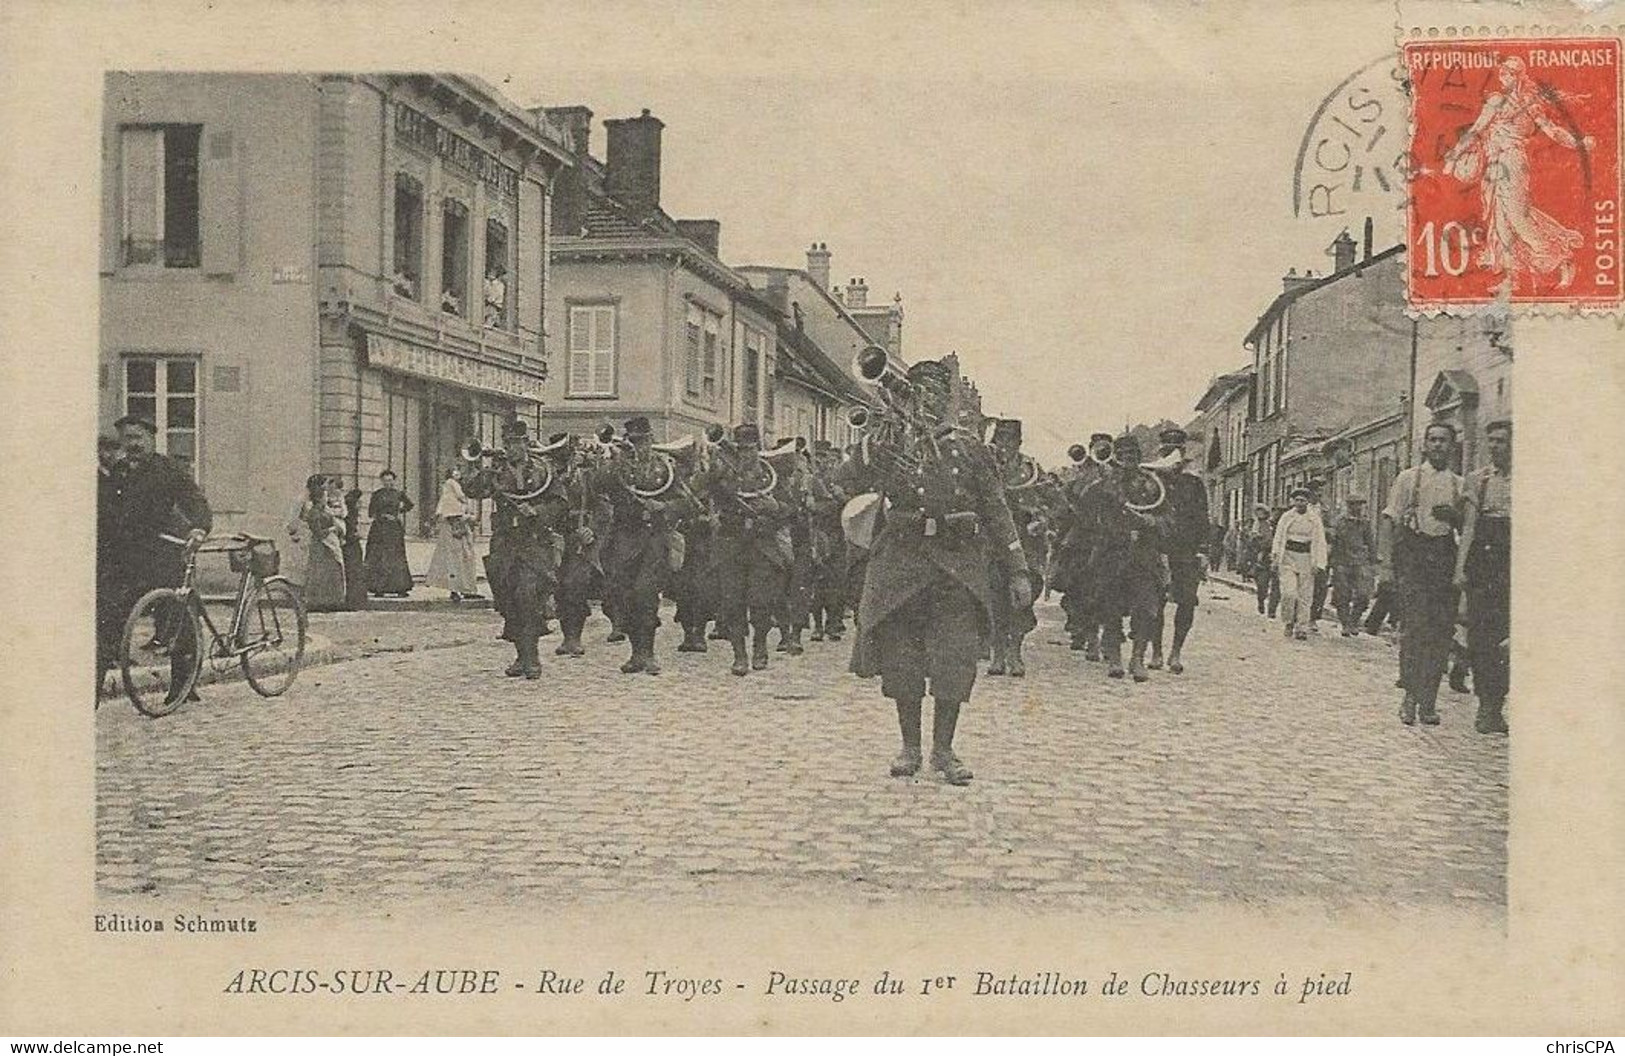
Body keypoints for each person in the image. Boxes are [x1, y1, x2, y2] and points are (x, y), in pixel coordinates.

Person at [846, 358, 1029, 784]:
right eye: (917, 392)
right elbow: (850, 478)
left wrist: (1018, 569)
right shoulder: (890, 442)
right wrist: (872, 443)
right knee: (902, 658)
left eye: (934, 394)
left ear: (946, 401)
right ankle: (910, 746)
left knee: (954, 658)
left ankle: (944, 750)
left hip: (955, 566)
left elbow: (997, 510)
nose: (925, 401)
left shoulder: (969, 448)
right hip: (902, 563)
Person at [109, 415, 212, 701]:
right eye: (126, 439)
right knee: (112, 612)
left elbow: (194, 500)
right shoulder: (119, 471)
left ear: (151, 439)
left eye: (137, 438)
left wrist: (199, 528)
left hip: (165, 553)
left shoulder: (168, 470)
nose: (132, 445)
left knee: (178, 615)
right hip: (128, 556)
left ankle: (184, 685)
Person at [1378, 422, 1466, 726]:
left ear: (1452, 446)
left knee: (1441, 635)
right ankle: (1410, 698)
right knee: (1415, 631)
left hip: (1444, 559)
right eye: (1433, 440)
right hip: (1414, 558)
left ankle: (1429, 702)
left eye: (1444, 440)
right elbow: (1389, 520)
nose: (1438, 445)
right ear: (1424, 445)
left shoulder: (1460, 484)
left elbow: (1467, 530)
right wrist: (1387, 565)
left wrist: (1454, 517)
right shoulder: (1408, 479)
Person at [694, 424, 793, 676]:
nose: (746, 454)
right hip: (731, 544)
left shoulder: (772, 473)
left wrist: (774, 507)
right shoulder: (724, 473)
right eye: (741, 449)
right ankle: (739, 655)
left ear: (758, 449)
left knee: (761, 602)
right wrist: (712, 472)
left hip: (762, 545)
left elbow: (790, 508)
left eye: (750, 449)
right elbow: (699, 489)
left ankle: (760, 645)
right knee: (732, 602)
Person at [462, 418, 554, 678]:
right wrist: (475, 465)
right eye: (508, 443)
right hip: (505, 543)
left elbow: (559, 502)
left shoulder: (541, 471)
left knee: (528, 596)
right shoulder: (497, 472)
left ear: (526, 444)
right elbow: (472, 490)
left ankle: (533, 658)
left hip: (533, 542)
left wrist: (537, 511)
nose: (511, 448)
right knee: (509, 601)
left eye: (516, 443)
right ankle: (521, 656)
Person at [1069, 435, 1164, 681]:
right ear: (1115, 456)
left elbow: (1169, 518)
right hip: (1111, 553)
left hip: (1143, 554)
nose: (1128, 460)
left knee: (1145, 609)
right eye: (1122, 455)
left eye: (1133, 455)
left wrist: (1154, 521)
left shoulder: (1152, 484)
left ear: (1139, 457)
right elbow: (1082, 510)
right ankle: (1114, 658)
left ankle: (1137, 658)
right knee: (1109, 607)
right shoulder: (1103, 485)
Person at [593, 416, 683, 675]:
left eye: (642, 441)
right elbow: (598, 485)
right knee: (626, 596)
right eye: (633, 441)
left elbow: (684, 501)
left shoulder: (663, 468)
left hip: (653, 538)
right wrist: (613, 461)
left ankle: (649, 653)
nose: (638, 446)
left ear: (651, 441)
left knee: (646, 594)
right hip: (625, 537)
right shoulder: (619, 466)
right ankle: (636, 653)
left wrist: (664, 507)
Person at [1455, 418, 1511, 734]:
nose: (1494, 446)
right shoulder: (1479, 480)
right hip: (1484, 564)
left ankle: (1497, 702)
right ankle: (1486, 705)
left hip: (1513, 565)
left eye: (1500, 441)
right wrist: (1460, 568)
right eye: (1490, 440)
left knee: (1508, 639)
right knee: (1481, 638)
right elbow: (1469, 528)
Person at [985, 418, 1045, 677]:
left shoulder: (1031, 470)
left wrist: (1041, 519)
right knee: (995, 597)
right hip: (993, 543)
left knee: (1022, 599)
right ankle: (998, 653)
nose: (1004, 446)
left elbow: (1056, 502)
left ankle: (1015, 651)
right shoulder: (985, 467)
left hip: (1025, 542)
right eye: (999, 440)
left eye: (1010, 441)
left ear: (1018, 443)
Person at [1147, 427, 1209, 674]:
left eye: (1176, 452)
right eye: (1167, 452)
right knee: (1154, 602)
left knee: (1186, 603)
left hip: (1186, 550)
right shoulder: (1152, 481)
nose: (1172, 458)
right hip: (1158, 548)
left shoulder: (1193, 484)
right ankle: (1157, 652)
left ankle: (1176, 651)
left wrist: (1203, 550)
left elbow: (1202, 517)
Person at [1271, 486, 1327, 641]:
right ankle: (1288, 622)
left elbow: (1320, 541)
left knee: (1305, 596)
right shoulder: (1286, 517)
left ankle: (1301, 627)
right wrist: (1275, 556)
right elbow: (1278, 537)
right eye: (1297, 500)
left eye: (1303, 500)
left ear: (1307, 501)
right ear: (1293, 501)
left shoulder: (1314, 519)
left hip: (1306, 558)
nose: (1300, 503)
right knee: (1289, 593)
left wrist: (1319, 563)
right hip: (1288, 557)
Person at [96, 435, 127, 694]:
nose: (113, 455)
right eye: (109, 450)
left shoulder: (117, 476)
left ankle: (111, 652)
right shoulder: (98, 478)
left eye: (116, 450)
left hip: (115, 555)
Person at [288, 474, 347, 612]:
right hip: (307, 536)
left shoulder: (323, 502)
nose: (326, 488)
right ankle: (306, 599)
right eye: (324, 485)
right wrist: (296, 535)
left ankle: (322, 600)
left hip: (319, 537)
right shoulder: (305, 502)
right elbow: (295, 520)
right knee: (305, 570)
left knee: (319, 570)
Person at [425, 467, 482, 602]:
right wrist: (468, 518)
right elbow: (454, 517)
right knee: (457, 560)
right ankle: (458, 589)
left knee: (465, 559)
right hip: (455, 535)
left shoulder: (455, 498)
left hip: (461, 534)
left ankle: (466, 588)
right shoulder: (450, 496)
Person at [364, 469, 415, 597]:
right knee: (379, 556)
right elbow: (370, 512)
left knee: (396, 556)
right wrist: (381, 515)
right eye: (385, 480)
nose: (388, 483)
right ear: (382, 481)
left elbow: (410, 505)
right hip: (379, 529)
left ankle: (400, 587)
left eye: (390, 480)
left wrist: (398, 513)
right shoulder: (376, 494)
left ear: (394, 481)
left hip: (394, 529)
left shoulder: (398, 494)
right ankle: (378, 587)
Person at [1329, 496, 1374, 636]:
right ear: (1349, 506)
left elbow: (1370, 542)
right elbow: (1333, 542)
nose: (1358, 508)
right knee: (1342, 594)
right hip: (1342, 561)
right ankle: (1345, 624)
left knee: (1364, 594)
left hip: (1360, 561)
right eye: (1354, 505)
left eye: (1360, 505)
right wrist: (1332, 562)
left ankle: (1354, 620)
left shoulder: (1365, 522)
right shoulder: (1339, 522)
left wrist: (1373, 561)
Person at [340, 480, 369, 611]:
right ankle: (354, 601)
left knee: (355, 574)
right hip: (351, 548)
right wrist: (357, 536)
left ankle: (356, 601)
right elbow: (349, 533)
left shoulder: (352, 515)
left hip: (352, 547)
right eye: (359, 502)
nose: (361, 504)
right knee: (354, 574)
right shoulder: (350, 517)